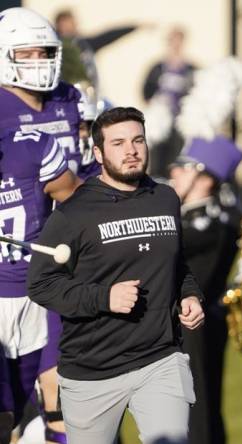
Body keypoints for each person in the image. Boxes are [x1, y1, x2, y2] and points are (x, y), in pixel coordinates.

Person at [27, 107, 205, 444]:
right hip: (92, 373)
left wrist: (190, 295)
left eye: (138, 140)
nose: (131, 151)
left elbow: (176, 264)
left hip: (160, 360)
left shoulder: (165, 199)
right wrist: (103, 297)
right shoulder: (72, 213)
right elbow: (40, 284)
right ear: (98, 153)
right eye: (118, 143)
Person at [0, 7, 83, 443]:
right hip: (6, 272)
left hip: (58, 272)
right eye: (27, 53)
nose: (39, 61)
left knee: (63, 403)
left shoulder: (69, 100)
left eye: (45, 52)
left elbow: (83, 178)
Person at [169, 136, 242, 444]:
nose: (173, 173)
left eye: (183, 168)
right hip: (195, 322)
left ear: (205, 177)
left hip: (194, 324)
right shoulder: (199, 218)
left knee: (195, 402)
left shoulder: (210, 223)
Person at [144, 28, 197, 177]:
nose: (175, 45)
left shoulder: (190, 69)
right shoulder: (158, 67)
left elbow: (197, 93)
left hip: (180, 123)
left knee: (177, 157)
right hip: (160, 124)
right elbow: (146, 91)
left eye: (178, 41)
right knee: (158, 158)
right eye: (172, 41)